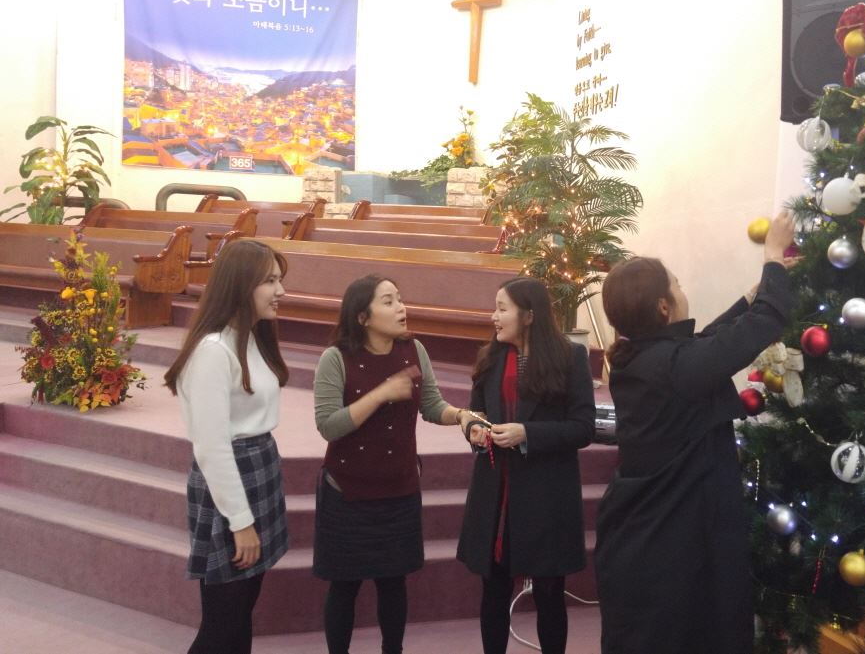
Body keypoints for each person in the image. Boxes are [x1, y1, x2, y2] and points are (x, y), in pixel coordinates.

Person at [595, 211, 801, 654]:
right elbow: (762, 326)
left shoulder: (644, 359)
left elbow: (707, 340)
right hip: (674, 545)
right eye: (677, 285)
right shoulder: (676, 366)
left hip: (645, 539)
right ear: (663, 307)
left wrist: (752, 293)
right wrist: (772, 255)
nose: (683, 290)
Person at [312, 274, 480, 654]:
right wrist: (381, 394)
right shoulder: (335, 358)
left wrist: (461, 415)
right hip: (347, 494)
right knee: (344, 586)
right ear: (362, 316)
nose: (401, 308)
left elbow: (432, 405)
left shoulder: (413, 349)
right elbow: (328, 425)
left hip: (399, 490)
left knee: (393, 583)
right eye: (388, 301)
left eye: (400, 299)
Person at [163, 239, 291, 654]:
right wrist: (240, 521)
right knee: (222, 622)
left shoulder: (249, 337)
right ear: (240, 284)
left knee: (241, 611)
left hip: (258, 470)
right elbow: (212, 447)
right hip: (232, 483)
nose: (280, 291)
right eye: (270, 281)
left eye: (279, 280)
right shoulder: (213, 351)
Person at [456, 277, 596, 654]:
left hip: (546, 494)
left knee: (549, 592)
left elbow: (583, 427)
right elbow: (475, 411)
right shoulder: (490, 357)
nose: (494, 316)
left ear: (530, 315)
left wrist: (527, 433)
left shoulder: (570, 357)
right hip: (495, 492)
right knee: (493, 588)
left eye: (502, 309)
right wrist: (473, 428)